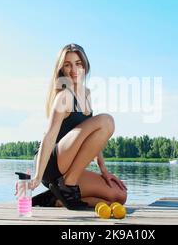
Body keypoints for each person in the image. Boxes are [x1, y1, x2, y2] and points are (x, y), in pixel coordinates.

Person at [24, 43, 127, 210]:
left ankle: (54, 198)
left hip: (67, 171)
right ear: (61, 69)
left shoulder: (87, 95)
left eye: (78, 64)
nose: (74, 69)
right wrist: (37, 176)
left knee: (119, 196)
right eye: (67, 64)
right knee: (107, 121)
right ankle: (67, 185)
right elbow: (49, 136)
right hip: (52, 162)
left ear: (85, 66)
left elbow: (94, 137)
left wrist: (104, 170)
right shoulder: (64, 96)